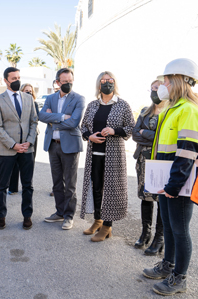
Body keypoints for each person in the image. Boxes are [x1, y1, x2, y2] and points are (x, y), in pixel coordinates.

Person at [142, 58, 198, 296]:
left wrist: (174, 185)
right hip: (168, 181)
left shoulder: (190, 110)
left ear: (179, 80)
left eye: (166, 79)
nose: (163, 84)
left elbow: (187, 152)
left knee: (180, 229)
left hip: (179, 182)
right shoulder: (173, 108)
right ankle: (168, 265)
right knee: (170, 227)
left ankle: (180, 277)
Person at [80, 71, 135, 241]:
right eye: (103, 80)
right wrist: (89, 136)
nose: (107, 83)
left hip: (114, 156)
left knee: (110, 190)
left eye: (110, 80)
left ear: (114, 83)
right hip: (94, 154)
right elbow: (83, 127)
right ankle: (98, 220)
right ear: (99, 85)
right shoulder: (92, 105)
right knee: (96, 188)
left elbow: (131, 127)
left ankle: (107, 227)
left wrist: (114, 130)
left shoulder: (122, 105)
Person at [0, 67, 38, 230]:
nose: (17, 80)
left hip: (27, 149)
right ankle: (1, 216)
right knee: (2, 185)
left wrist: (29, 142)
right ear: (5, 80)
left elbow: (34, 122)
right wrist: (13, 144)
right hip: (7, 150)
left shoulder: (28, 98)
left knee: (28, 185)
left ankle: (27, 216)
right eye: (13, 78)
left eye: (19, 77)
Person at [39, 68, 85, 230]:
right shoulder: (50, 98)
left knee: (70, 184)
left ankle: (69, 216)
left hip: (70, 146)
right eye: (64, 82)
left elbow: (73, 123)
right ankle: (59, 212)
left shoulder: (79, 99)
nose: (68, 84)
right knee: (57, 182)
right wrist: (61, 117)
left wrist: (52, 119)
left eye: (70, 81)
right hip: (53, 145)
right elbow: (41, 116)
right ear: (58, 82)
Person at [132, 80, 165, 255]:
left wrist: (146, 133)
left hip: (161, 160)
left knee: (160, 198)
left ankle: (159, 238)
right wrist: (149, 136)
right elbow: (134, 134)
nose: (155, 92)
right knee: (145, 197)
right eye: (153, 89)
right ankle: (145, 233)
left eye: (159, 89)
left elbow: (164, 137)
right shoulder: (145, 111)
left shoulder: (170, 111)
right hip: (143, 160)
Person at [8, 83, 39, 195]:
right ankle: (13, 187)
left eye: (30, 91)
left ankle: (27, 185)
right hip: (16, 136)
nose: (28, 92)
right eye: (26, 90)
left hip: (31, 136)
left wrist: (30, 140)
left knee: (29, 162)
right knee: (15, 162)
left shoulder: (33, 103)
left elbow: (36, 118)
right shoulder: (16, 103)